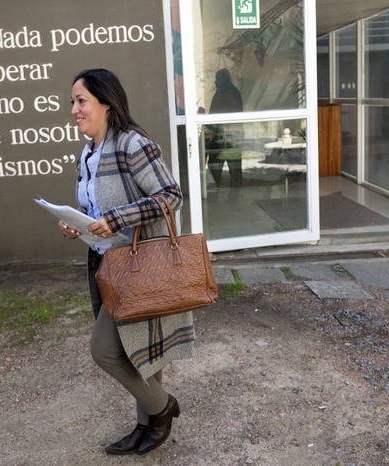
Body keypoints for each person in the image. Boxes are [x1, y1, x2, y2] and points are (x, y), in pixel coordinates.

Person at [58, 69, 194, 455]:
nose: (74, 110)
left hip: (140, 266)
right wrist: (78, 225)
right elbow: (95, 209)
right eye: (73, 102)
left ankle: (162, 408)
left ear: (106, 103)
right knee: (140, 351)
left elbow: (170, 196)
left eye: (81, 101)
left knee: (105, 349)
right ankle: (144, 425)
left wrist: (117, 220)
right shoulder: (88, 154)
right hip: (109, 266)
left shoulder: (132, 144)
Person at [207, 68, 243, 187]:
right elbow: (212, 116)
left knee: (235, 169)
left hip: (232, 138)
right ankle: (214, 195)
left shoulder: (233, 94)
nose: (215, 82)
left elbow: (233, 118)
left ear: (224, 80)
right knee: (214, 167)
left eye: (217, 79)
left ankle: (236, 198)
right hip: (219, 137)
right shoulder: (218, 94)